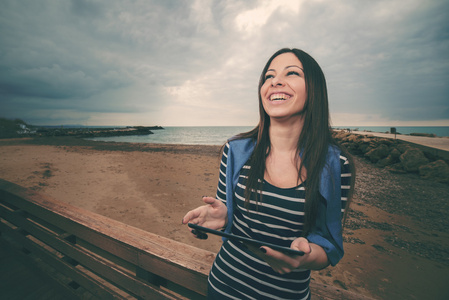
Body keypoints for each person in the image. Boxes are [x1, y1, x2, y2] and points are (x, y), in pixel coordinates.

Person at [182, 48, 355, 299]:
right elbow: (226, 214)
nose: (275, 81)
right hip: (223, 287)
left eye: (292, 73)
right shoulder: (236, 150)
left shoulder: (335, 164)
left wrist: (305, 257)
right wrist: (219, 216)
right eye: (269, 76)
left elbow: (328, 245)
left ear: (314, 89)